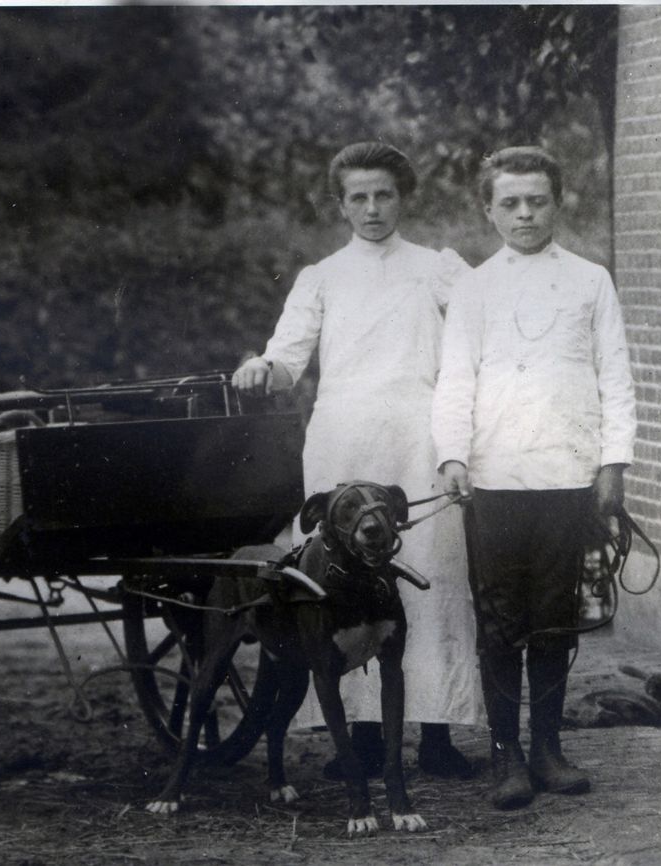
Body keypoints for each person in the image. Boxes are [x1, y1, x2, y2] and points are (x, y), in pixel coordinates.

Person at [233, 141, 482, 779]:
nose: (372, 209)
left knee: (431, 579)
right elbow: (288, 358)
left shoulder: (440, 269)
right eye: (359, 197)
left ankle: (435, 735)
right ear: (341, 204)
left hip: (416, 441)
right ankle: (364, 740)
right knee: (340, 586)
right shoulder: (322, 277)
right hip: (343, 445)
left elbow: (486, 333)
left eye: (385, 195)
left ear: (404, 198)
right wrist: (264, 366)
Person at [431, 146, 637, 809]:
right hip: (494, 477)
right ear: (489, 210)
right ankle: (507, 754)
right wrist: (453, 453)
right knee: (499, 620)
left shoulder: (590, 280)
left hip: (566, 473)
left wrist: (612, 463)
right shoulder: (473, 288)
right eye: (510, 203)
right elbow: (455, 377)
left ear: (558, 202)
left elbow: (616, 377)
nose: (525, 213)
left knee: (555, 615)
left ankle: (548, 747)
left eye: (537, 200)